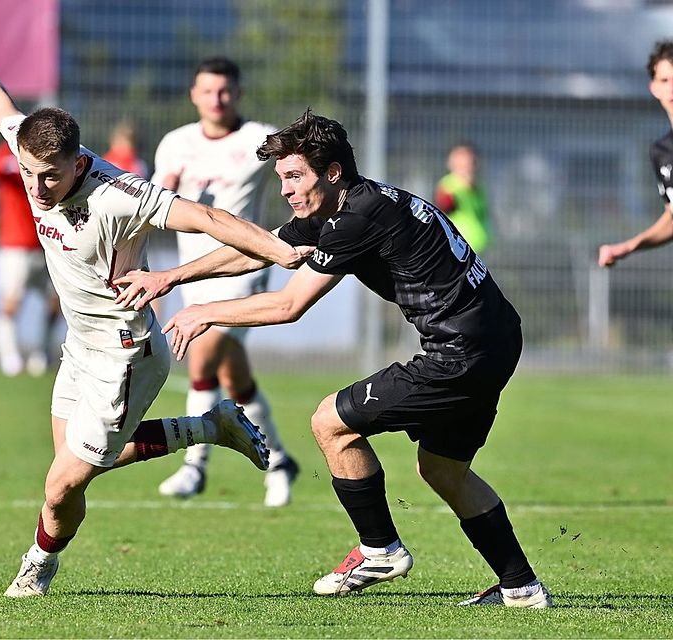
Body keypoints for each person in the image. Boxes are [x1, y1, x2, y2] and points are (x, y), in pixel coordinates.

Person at [116, 109, 553, 608]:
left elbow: (288, 305)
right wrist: (172, 277)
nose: (285, 189)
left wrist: (206, 312)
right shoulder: (351, 205)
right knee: (443, 469)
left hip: (460, 352)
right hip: (494, 340)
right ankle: (521, 586)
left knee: (330, 422)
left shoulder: (357, 219)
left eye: (294, 176)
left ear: (333, 172)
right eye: (281, 178)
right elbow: (265, 248)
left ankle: (380, 550)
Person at [0, 27, 311, 598]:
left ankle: (36, 566)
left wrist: (279, 250)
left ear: (78, 163)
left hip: (126, 351)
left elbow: (209, 220)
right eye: (30, 173)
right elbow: (2, 106)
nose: (37, 187)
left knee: (63, 484)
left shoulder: (119, 194)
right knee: (78, 462)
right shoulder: (31, 148)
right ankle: (210, 426)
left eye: (51, 176)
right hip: (79, 345)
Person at [151, 56, 300, 507]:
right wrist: (167, 185)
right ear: (194, 95)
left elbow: (299, 163)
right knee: (235, 379)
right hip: (193, 274)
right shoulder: (175, 143)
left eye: (225, 91)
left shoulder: (256, 139)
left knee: (202, 357)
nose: (217, 99)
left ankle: (194, 466)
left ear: (237, 93)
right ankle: (279, 461)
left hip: (242, 268)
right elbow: (155, 202)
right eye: (208, 91)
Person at [0, 140, 61, 377]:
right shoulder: (6, 153)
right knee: (10, 303)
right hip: (15, 246)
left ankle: (41, 354)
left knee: (56, 302)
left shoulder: (45, 155)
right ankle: (10, 360)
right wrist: (20, 165)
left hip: (45, 244)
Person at [598, 40, 673, 268]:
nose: (672, 88)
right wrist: (630, 246)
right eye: (665, 80)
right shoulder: (661, 152)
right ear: (654, 87)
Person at [434, 142, 491, 255]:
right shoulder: (448, 187)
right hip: (459, 250)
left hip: (479, 248)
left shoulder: (479, 187)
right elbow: (442, 212)